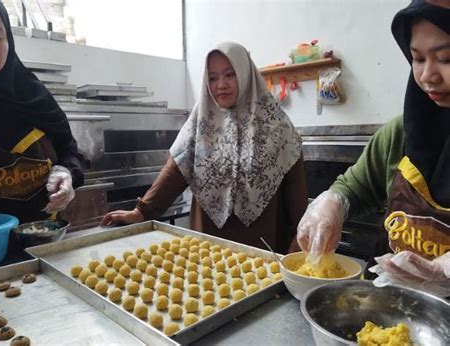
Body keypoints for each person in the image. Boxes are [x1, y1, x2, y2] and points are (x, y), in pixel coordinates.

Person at [297, 0, 449, 297]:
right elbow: (356, 187)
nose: (428, 75)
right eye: (417, 59)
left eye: (445, 58)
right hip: (382, 309)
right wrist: (332, 204)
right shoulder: (400, 133)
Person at [102, 41, 308, 254]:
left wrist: (300, 236)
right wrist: (141, 211)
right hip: (210, 242)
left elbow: (295, 186)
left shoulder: (277, 125)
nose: (221, 85)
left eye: (230, 75)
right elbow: (176, 170)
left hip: (263, 242)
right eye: (213, 77)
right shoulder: (201, 122)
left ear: (245, 74)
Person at [0, 0, 84, 229]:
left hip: (44, 239)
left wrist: (67, 173)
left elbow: (68, 148)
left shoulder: (32, 95)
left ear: (9, 42)